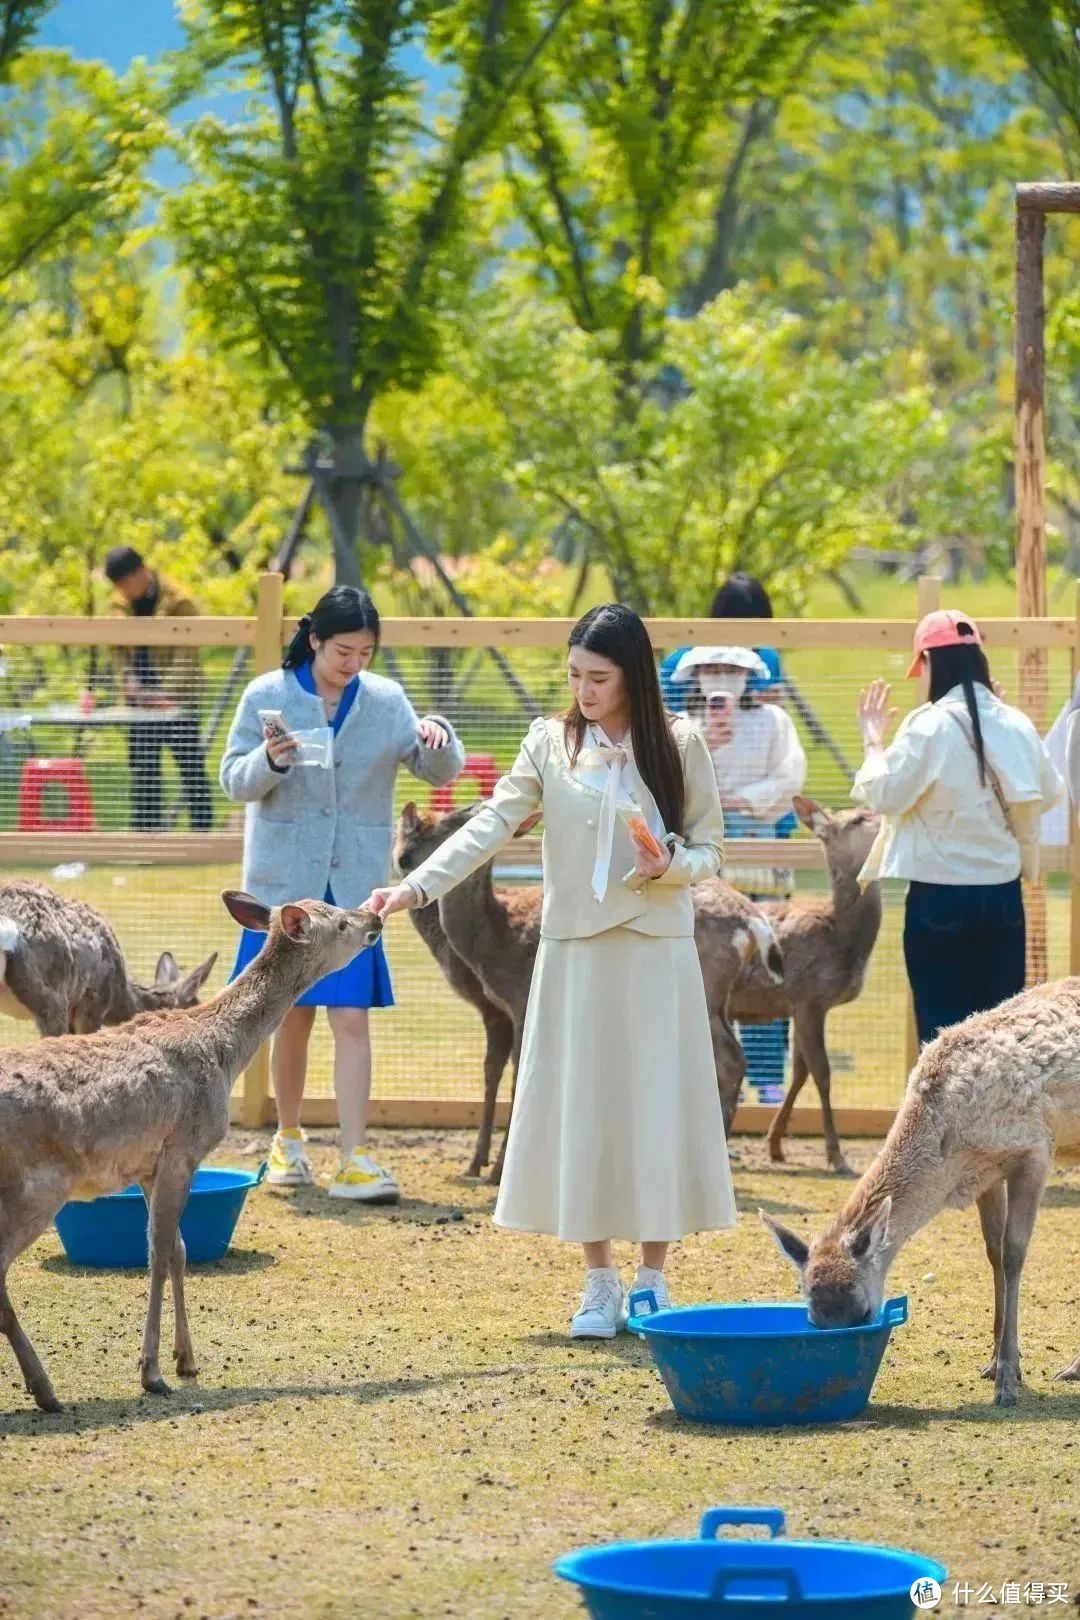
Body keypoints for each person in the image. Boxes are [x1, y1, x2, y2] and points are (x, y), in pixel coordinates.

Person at [365, 603, 736, 1339]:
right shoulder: (550, 743)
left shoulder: (679, 743)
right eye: (575, 675)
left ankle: (652, 1281)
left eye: (598, 677)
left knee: (653, 1107)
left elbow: (712, 853)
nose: (585, 689)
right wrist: (414, 889)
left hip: (656, 951)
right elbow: (488, 825)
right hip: (578, 953)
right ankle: (599, 1281)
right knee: (586, 1107)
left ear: (632, 676)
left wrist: (669, 866)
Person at [220, 585, 465, 1202]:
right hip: (286, 889)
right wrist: (270, 761)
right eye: (343, 651)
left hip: (354, 889)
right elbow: (232, 780)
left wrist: (439, 735)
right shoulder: (266, 696)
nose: (354, 663)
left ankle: (354, 1155)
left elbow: (439, 771)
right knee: (290, 1016)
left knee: (351, 1018)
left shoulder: (386, 701)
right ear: (314, 640)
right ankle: (288, 1142)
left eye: (365, 652)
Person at [854, 608, 1063, 1047]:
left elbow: (882, 794)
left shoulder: (927, 726)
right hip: (1003, 895)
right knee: (1003, 1042)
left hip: (938, 897)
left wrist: (873, 739)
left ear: (929, 661)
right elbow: (1050, 792)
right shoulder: (1015, 722)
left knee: (944, 1042)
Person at [671, 644, 807, 1105]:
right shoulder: (683, 724)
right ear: (696, 676)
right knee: (703, 968)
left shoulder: (774, 722)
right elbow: (671, 780)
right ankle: (704, 1072)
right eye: (711, 669)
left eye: (730, 670)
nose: (721, 679)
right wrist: (710, 741)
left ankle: (768, 1076)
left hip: (761, 861)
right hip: (704, 863)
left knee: (766, 966)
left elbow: (792, 776)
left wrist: (743, 799)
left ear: (749, 677)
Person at [105, 546, 213, 832]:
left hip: (178, 700)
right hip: (138, 704)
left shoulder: (180, 601)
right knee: (144, 771)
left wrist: (164, 696)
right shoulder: (118, 606)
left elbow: (186, 658)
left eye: (124, 584)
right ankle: (145, 838)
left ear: (140, 573)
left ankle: (202, 836)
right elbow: (117, 651)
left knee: (191, 769)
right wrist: (129, 682)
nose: (122, 591)